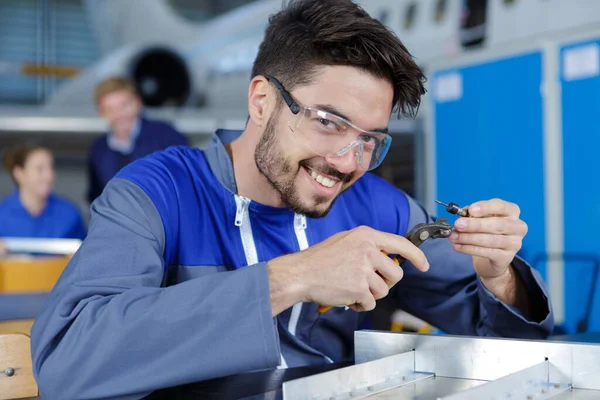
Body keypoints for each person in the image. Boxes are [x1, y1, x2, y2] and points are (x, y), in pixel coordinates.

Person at [30, 1, 554, 398]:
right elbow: (67, 361)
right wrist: (292, 277)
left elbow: (503, 347)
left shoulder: (378, 206)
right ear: (261, 101)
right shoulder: (154, 194)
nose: (350, 161)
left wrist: (500, 278)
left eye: (370, 138)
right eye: (328, 122)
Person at [87, 76, 189, 203]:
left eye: (124, 106)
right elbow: (96, 197)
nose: (119, 114)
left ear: (137, 102)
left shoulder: (167, 136)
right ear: (101, 112)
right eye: (110, 109)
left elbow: (186, 184)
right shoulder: (98, 150)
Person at [0, 144, 87, 244]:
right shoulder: (2, 215)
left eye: (51, 168)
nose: (49, 176)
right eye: (40, 169)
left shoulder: (69, 213)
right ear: (19, 173)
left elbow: (88, 253)